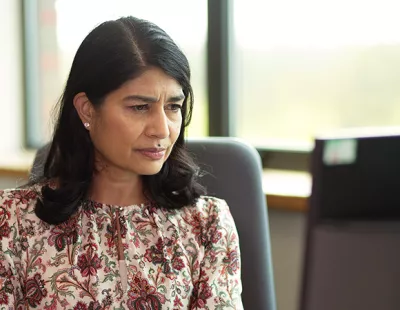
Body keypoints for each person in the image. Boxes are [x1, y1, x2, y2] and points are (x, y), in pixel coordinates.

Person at [0, 16, 243, 309]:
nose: (162, 129)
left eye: (173, 107)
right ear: (87, 109)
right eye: (140, 107)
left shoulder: (207, 225)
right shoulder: (12, 222)